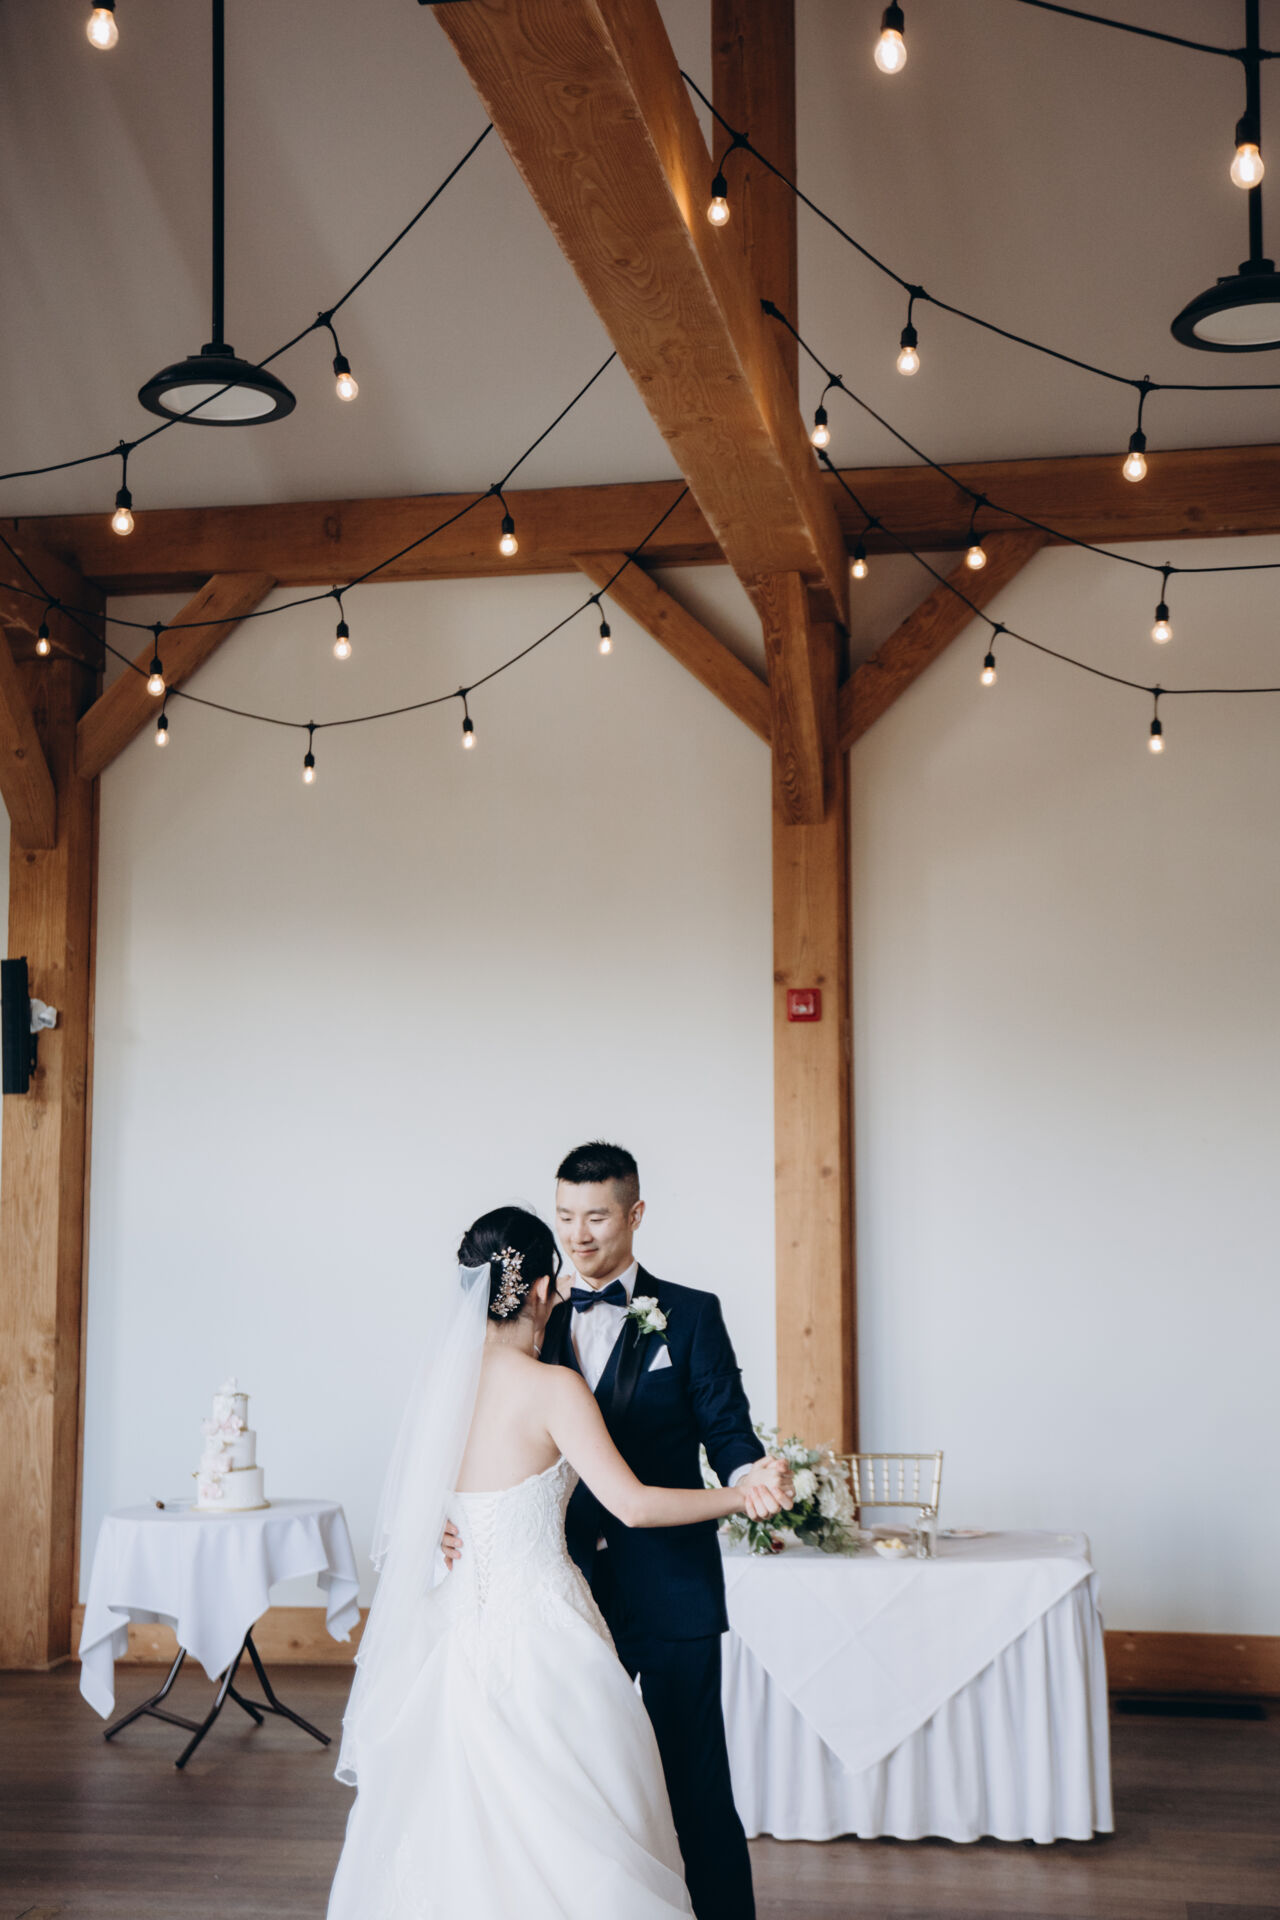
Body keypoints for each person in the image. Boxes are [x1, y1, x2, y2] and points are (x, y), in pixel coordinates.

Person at [327, 1203, 791, 1920]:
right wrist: (740, 1496)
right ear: (544, 1290)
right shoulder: (551, 1387)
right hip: (545, 1630)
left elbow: (422, 1506)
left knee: (454, 1824)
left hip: (453, 1633)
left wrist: (442, 1531)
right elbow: (632, 1504)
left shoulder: (441, 1385)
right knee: (584, 1822)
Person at [444, 1142, 777, 1920]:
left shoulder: (691, 1314)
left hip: (670, 1586)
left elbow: (728, 1430)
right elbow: (479, 1448)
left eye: (596, 1217)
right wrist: (453, 1528)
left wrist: (750, 1477)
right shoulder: (528, 1316)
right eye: (565, 1217)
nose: (578, 1234)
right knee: (577, 1793)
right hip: (559, 1596)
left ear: (635, 1214)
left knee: (693, 1784)